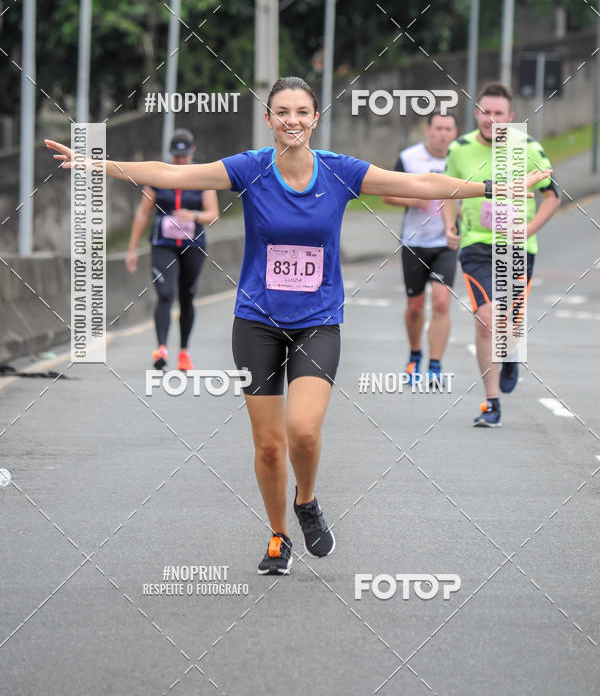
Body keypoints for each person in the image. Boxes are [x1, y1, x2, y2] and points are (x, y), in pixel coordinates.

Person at [45, 76, 551, 574]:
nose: (292, 121)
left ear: (314, 119)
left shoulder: (339, 171)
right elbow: (174, 175)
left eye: (302, 112)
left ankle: (305, 501)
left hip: (318, 322)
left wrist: (494, 185)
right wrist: (97, 165)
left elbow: (419, 183)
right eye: (282, 112)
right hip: (257, 323)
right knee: (268, 445)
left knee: (303, 432)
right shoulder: (249, 168)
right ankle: (278, 535)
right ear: (268, 119)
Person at [442, 82, 560, 428]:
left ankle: (509, 356)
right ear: (476, 112)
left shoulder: (529, 148)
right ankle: (491, 403)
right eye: (484, 111)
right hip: (476, 244)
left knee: (506, 327)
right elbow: (447, 191)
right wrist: (450, 225)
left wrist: (529, 229)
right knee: (485, 320)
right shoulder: (459, 149)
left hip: (517, 248)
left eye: (498, 113)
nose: (490, 119)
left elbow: (552, 195)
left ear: (510, 117)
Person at [124, 129, 219, 372]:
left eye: (184, 156)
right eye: (176, 157)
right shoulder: (159, 176)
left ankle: (184, 352)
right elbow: (143, 212)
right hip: (163, 244)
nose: (180, 161)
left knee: (187, 296)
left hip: (193, 246)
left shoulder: (203, 177)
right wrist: (132, 249)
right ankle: (162, 349)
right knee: (165, 293)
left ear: (192, 152)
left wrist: (193, 215)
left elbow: (213, 214)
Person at [383, 111, 458, 384]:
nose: (442, 134)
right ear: (428, 130)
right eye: (438, 128)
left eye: (448, 129)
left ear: (455, 132)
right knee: (415, 307)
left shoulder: (458, 158)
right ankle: (415, 354)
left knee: (441, 302)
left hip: (446, 242)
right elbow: (386, 193)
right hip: (414, 242)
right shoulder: (409, 157)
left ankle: (435, 364)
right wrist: (416, 200)